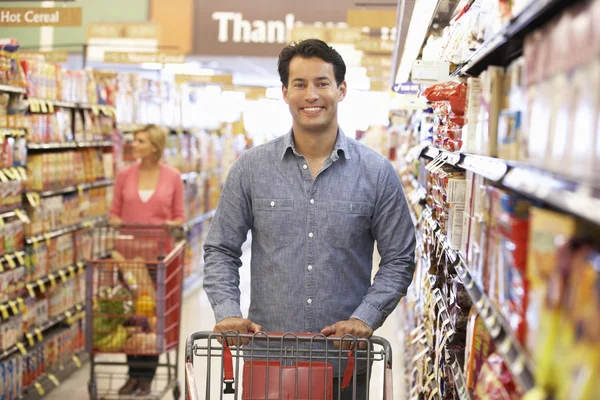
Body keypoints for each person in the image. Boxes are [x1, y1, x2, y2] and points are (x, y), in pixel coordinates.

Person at [203, 39, 416, 399]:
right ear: (285, 92)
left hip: (343, 365)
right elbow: (221, 248)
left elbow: (399, 258)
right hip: (268, 361)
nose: (311, 95)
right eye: (299, 84)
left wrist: (366, 317)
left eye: (322, 83)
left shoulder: (378, 173)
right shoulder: (250, 170)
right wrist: (226, 310)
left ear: (341, 90)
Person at [108, 124, 184, 396]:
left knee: (151, 320)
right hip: (127, 260)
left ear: (154, 145)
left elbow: (179, 216)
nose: (134, 144)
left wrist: (170, 225)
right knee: (131, 318)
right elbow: (113, 213)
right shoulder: (124, 175)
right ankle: (132, 375)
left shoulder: (173, 177)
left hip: (157, 261)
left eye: (140, 140)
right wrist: (119, 223)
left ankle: (146, 376)